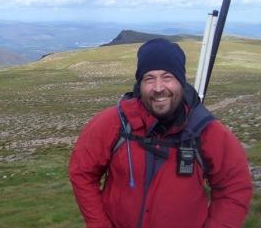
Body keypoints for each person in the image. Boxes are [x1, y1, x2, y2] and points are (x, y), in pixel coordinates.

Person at [69, 38, 252, 228]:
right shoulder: (114, 122)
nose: (158, 88)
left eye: (167, 77)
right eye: (149, 78)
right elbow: (82, 172)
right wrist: (99, 224)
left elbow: (235, 187)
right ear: (139, 85)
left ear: (181, 81)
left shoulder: (206, 130)